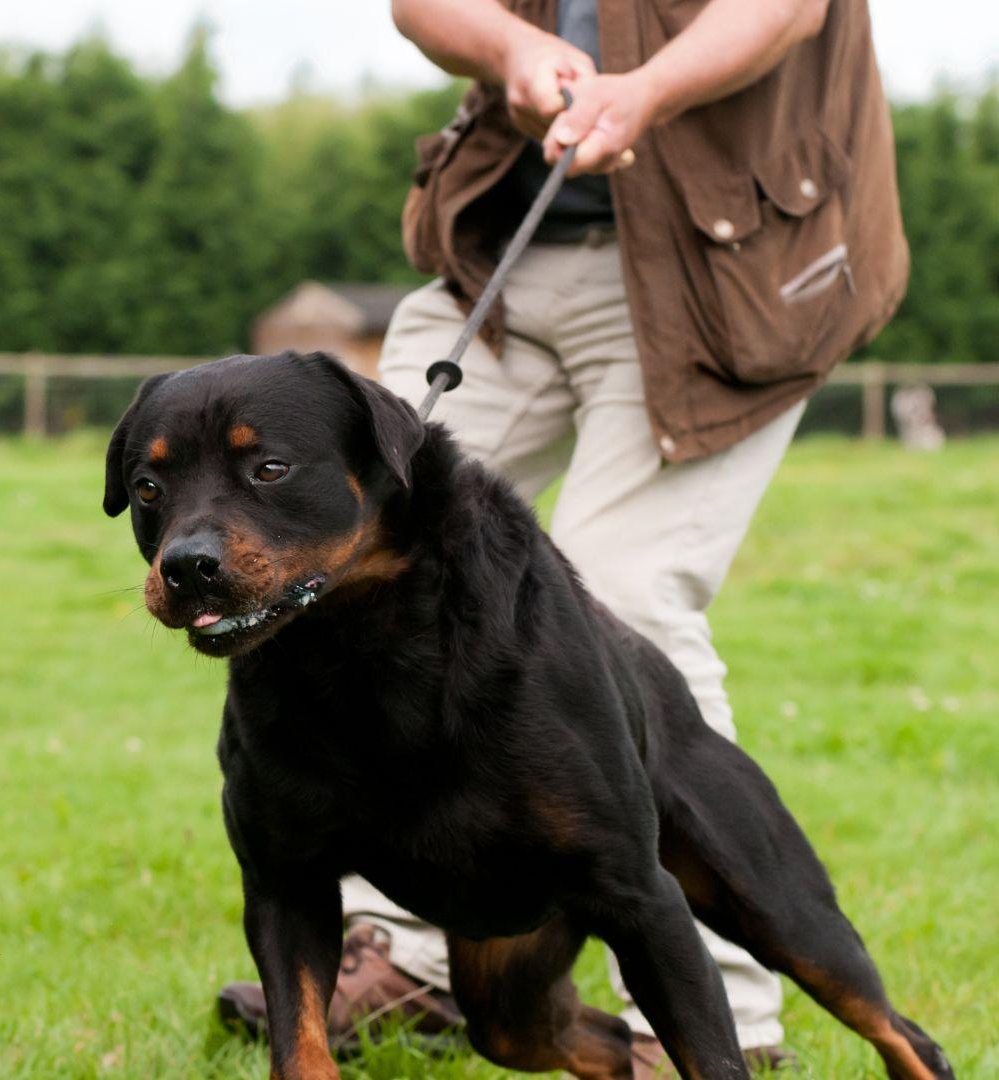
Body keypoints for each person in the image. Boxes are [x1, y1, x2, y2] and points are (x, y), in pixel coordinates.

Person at [219, 0, 908, 1073]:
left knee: (627, 602)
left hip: (724, 261)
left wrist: (648, 89)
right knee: (323, 575)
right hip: (505, 245)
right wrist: (515, 48)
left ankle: (721, 1017)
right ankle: (418, 963)